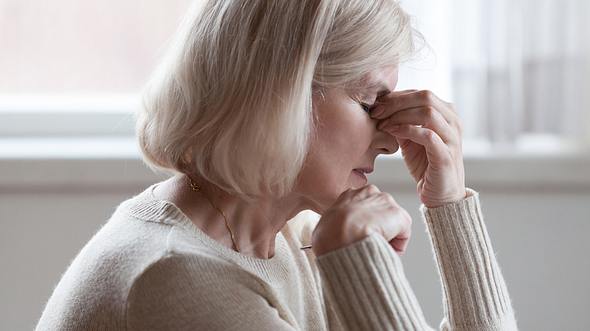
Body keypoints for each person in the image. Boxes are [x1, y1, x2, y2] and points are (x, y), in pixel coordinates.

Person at [35, 0, 519, 330]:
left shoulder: (292, 233)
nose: (391, 139)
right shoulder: (177, 280)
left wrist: (449, 204)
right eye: (371, 101)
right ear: (282, 98)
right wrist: (362, 270)